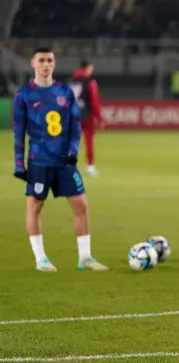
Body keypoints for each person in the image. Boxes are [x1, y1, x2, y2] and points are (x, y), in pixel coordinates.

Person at [13, 47, 108, 272]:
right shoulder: (24, 95)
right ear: (33, 63)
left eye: (49, 60)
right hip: (39, 160)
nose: (46, 64)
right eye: (42, 60)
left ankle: (85, 258)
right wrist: (19, 162)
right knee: (35, 206)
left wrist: (73, 150)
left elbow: (75, 125)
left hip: (65, 160)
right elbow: (19, 132)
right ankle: (41, 259)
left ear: (54, 64)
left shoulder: (65, 92)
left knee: (81, 205)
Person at [69, 59, 104, 177]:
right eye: (91, 68)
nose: (92, 70)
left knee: (73, 141)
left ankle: (70, 165)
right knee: (89, 141)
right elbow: (94, 102)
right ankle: (90, 166)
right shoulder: (90, 83)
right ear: (87, 68)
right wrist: (99, 118)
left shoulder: (71, 81)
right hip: (86, 116)